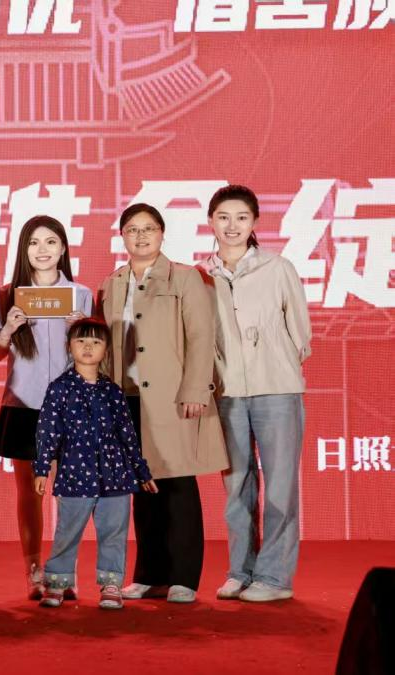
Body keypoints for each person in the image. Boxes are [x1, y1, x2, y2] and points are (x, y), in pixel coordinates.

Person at [95, 203, 228, 604]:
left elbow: (201, 337)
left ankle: (184, 577)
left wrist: (196, 389)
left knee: (178, 484)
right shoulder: (113, 283)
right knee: (142, 487)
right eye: (132, 230)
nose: (140, 236)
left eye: (148, 229)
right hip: (127, 398)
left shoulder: (185, 278)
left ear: (162, 233)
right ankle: (149, 575)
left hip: (172, 397)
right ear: (122, 236)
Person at [199, 185, 311, 602]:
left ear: (254, 223)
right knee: (236, 485)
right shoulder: (200, 276)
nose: (232, 226)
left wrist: (276, 363)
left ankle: (275, 578)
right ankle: (240, 571)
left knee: (280, 486)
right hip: (226, 392)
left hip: (276, 389)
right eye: (224, 217)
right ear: (211, 222)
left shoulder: (278, 268)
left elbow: (300, 333)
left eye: (242, 218)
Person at [0, 215, 91, 599]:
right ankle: (33, 570)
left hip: (71, 405)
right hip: (24, 403)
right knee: (29, 493)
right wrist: (7, 329)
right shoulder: (8, 295)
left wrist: (80, 332)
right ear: (24, 250)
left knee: (72, 493)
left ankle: (64, 570)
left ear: (63, 248)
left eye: (51, 242)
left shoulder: (81, 295)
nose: (43, 250)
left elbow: (94, 356)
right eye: (34, 243)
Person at [33, 319, 157, 610]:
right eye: (81, 341)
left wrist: (141, 471)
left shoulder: (112, 390)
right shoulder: (59, 389)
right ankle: (57, 584)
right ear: (69, 346)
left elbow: (127, 434)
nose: (88, 347)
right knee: (67, 533)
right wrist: (41, 469)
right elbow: (47, 431)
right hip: (74, 475)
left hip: (116, 477)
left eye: (96, 342)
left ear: (106, 350)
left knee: (114, 534)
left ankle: (111, 585)